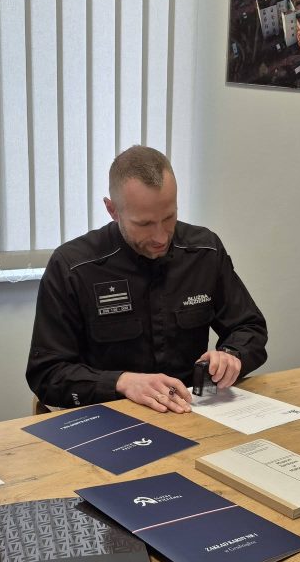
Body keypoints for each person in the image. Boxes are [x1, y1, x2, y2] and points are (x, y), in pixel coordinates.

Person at [26, 144, 267, 413]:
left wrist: (231, 355)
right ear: (112, 210)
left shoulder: (204, 251)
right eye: (144, 224)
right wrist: (121, 382)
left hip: (192, 411)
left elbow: (249, 327)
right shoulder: (73, 266)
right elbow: (47, 374)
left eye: (169, 217)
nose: (161, 237)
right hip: (110, 415)